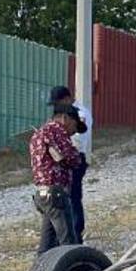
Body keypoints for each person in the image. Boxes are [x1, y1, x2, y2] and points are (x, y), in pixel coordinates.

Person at [30, 104, 86, 254]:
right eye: (75, 125)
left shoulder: (39, 133)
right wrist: (77, 154)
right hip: (56, 193)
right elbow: (72, 158)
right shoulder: (57, 131)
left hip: (42, 194)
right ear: (65, 118)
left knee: (46, 246)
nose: (73, 133)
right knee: (68, 243)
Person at [48, 85, 94, 241]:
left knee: (73, 197)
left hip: (75, 158)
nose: (56, 106)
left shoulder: (80, 114)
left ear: (67, 99)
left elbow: (77, 140)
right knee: (65, 197)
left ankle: (75, 233)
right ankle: (65, 234)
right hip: (68, 157)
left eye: (58, 102)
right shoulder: (67, 113)